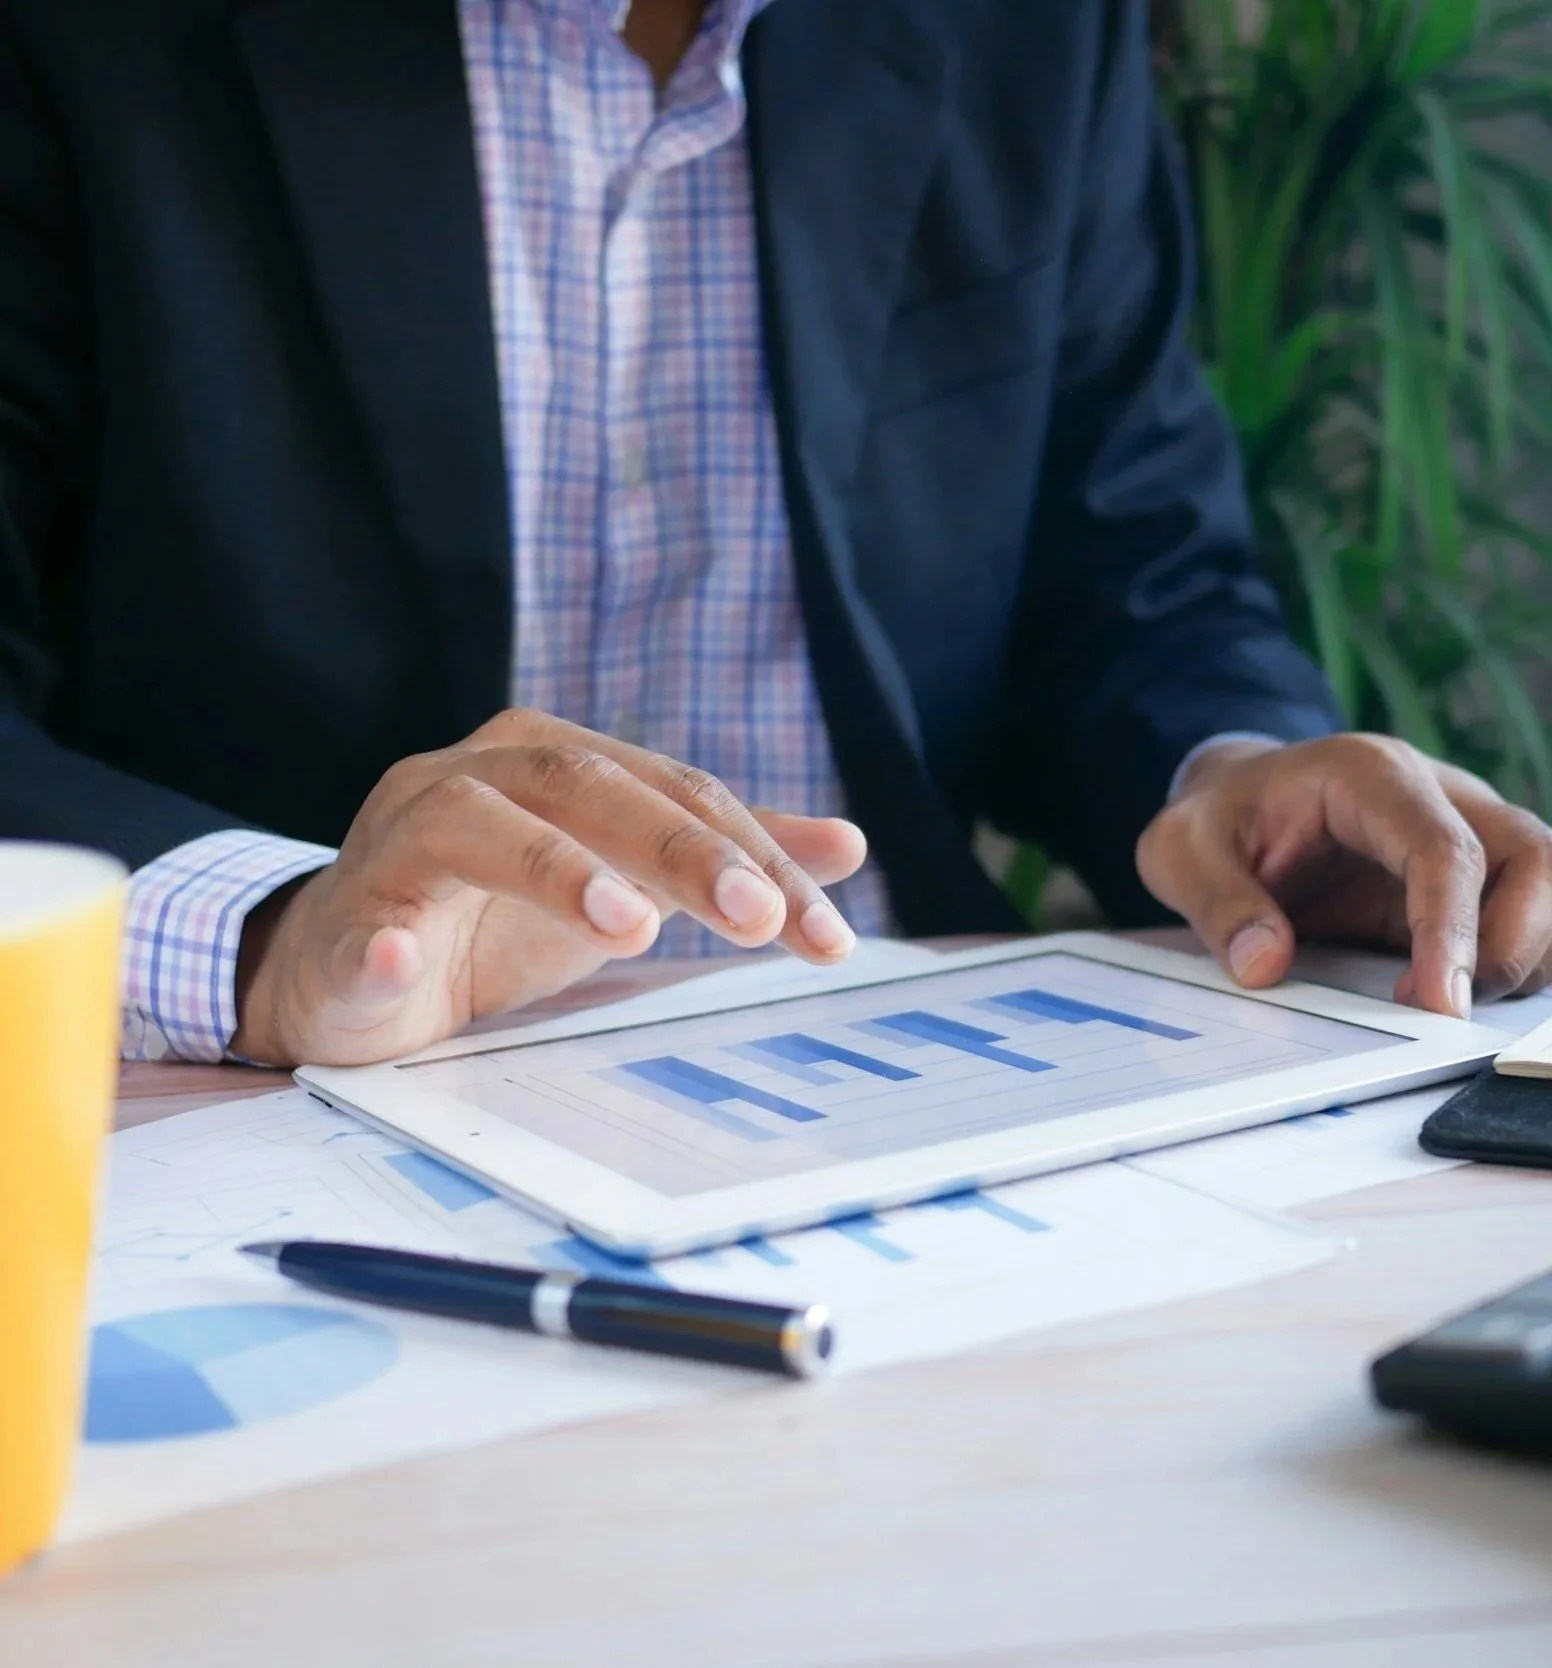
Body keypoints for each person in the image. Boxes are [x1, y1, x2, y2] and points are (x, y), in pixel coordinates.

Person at [2, 0, 1549, 1069]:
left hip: (903, 1068)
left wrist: (1239, 775)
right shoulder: (77, 43)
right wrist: (272, 940)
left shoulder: (1030, 29)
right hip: (285, 1104)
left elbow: (1128, 566)